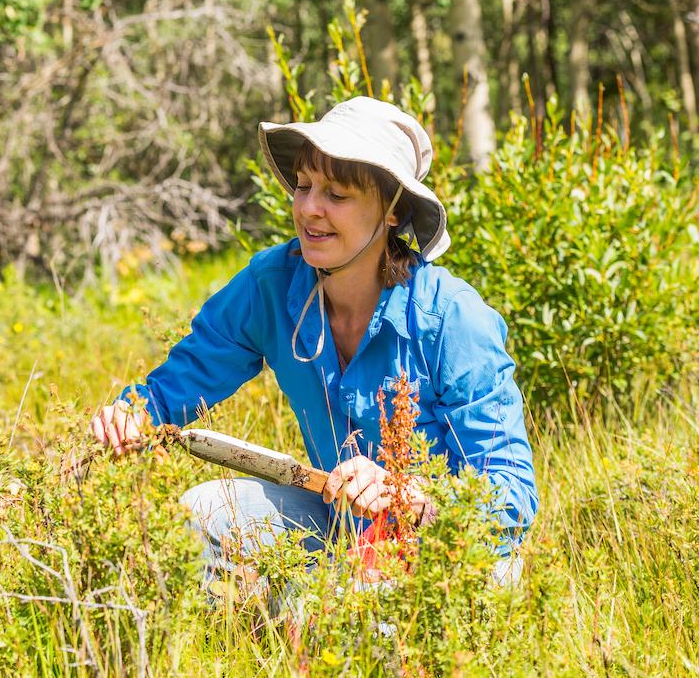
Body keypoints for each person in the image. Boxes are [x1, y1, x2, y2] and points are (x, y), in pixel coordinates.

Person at [89, 97, 538, 600]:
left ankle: (323, 611)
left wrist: (404, 495)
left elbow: (514, 499)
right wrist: (132, 416)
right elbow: (177, 386)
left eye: (337, 194)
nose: (308, 209)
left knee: (358, 610)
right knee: (202, 514)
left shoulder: (452, 319)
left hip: (452, 551)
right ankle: (274, 622)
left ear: (393, 212)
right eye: (303, 186)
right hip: (338, 525)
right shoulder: (272, 283)